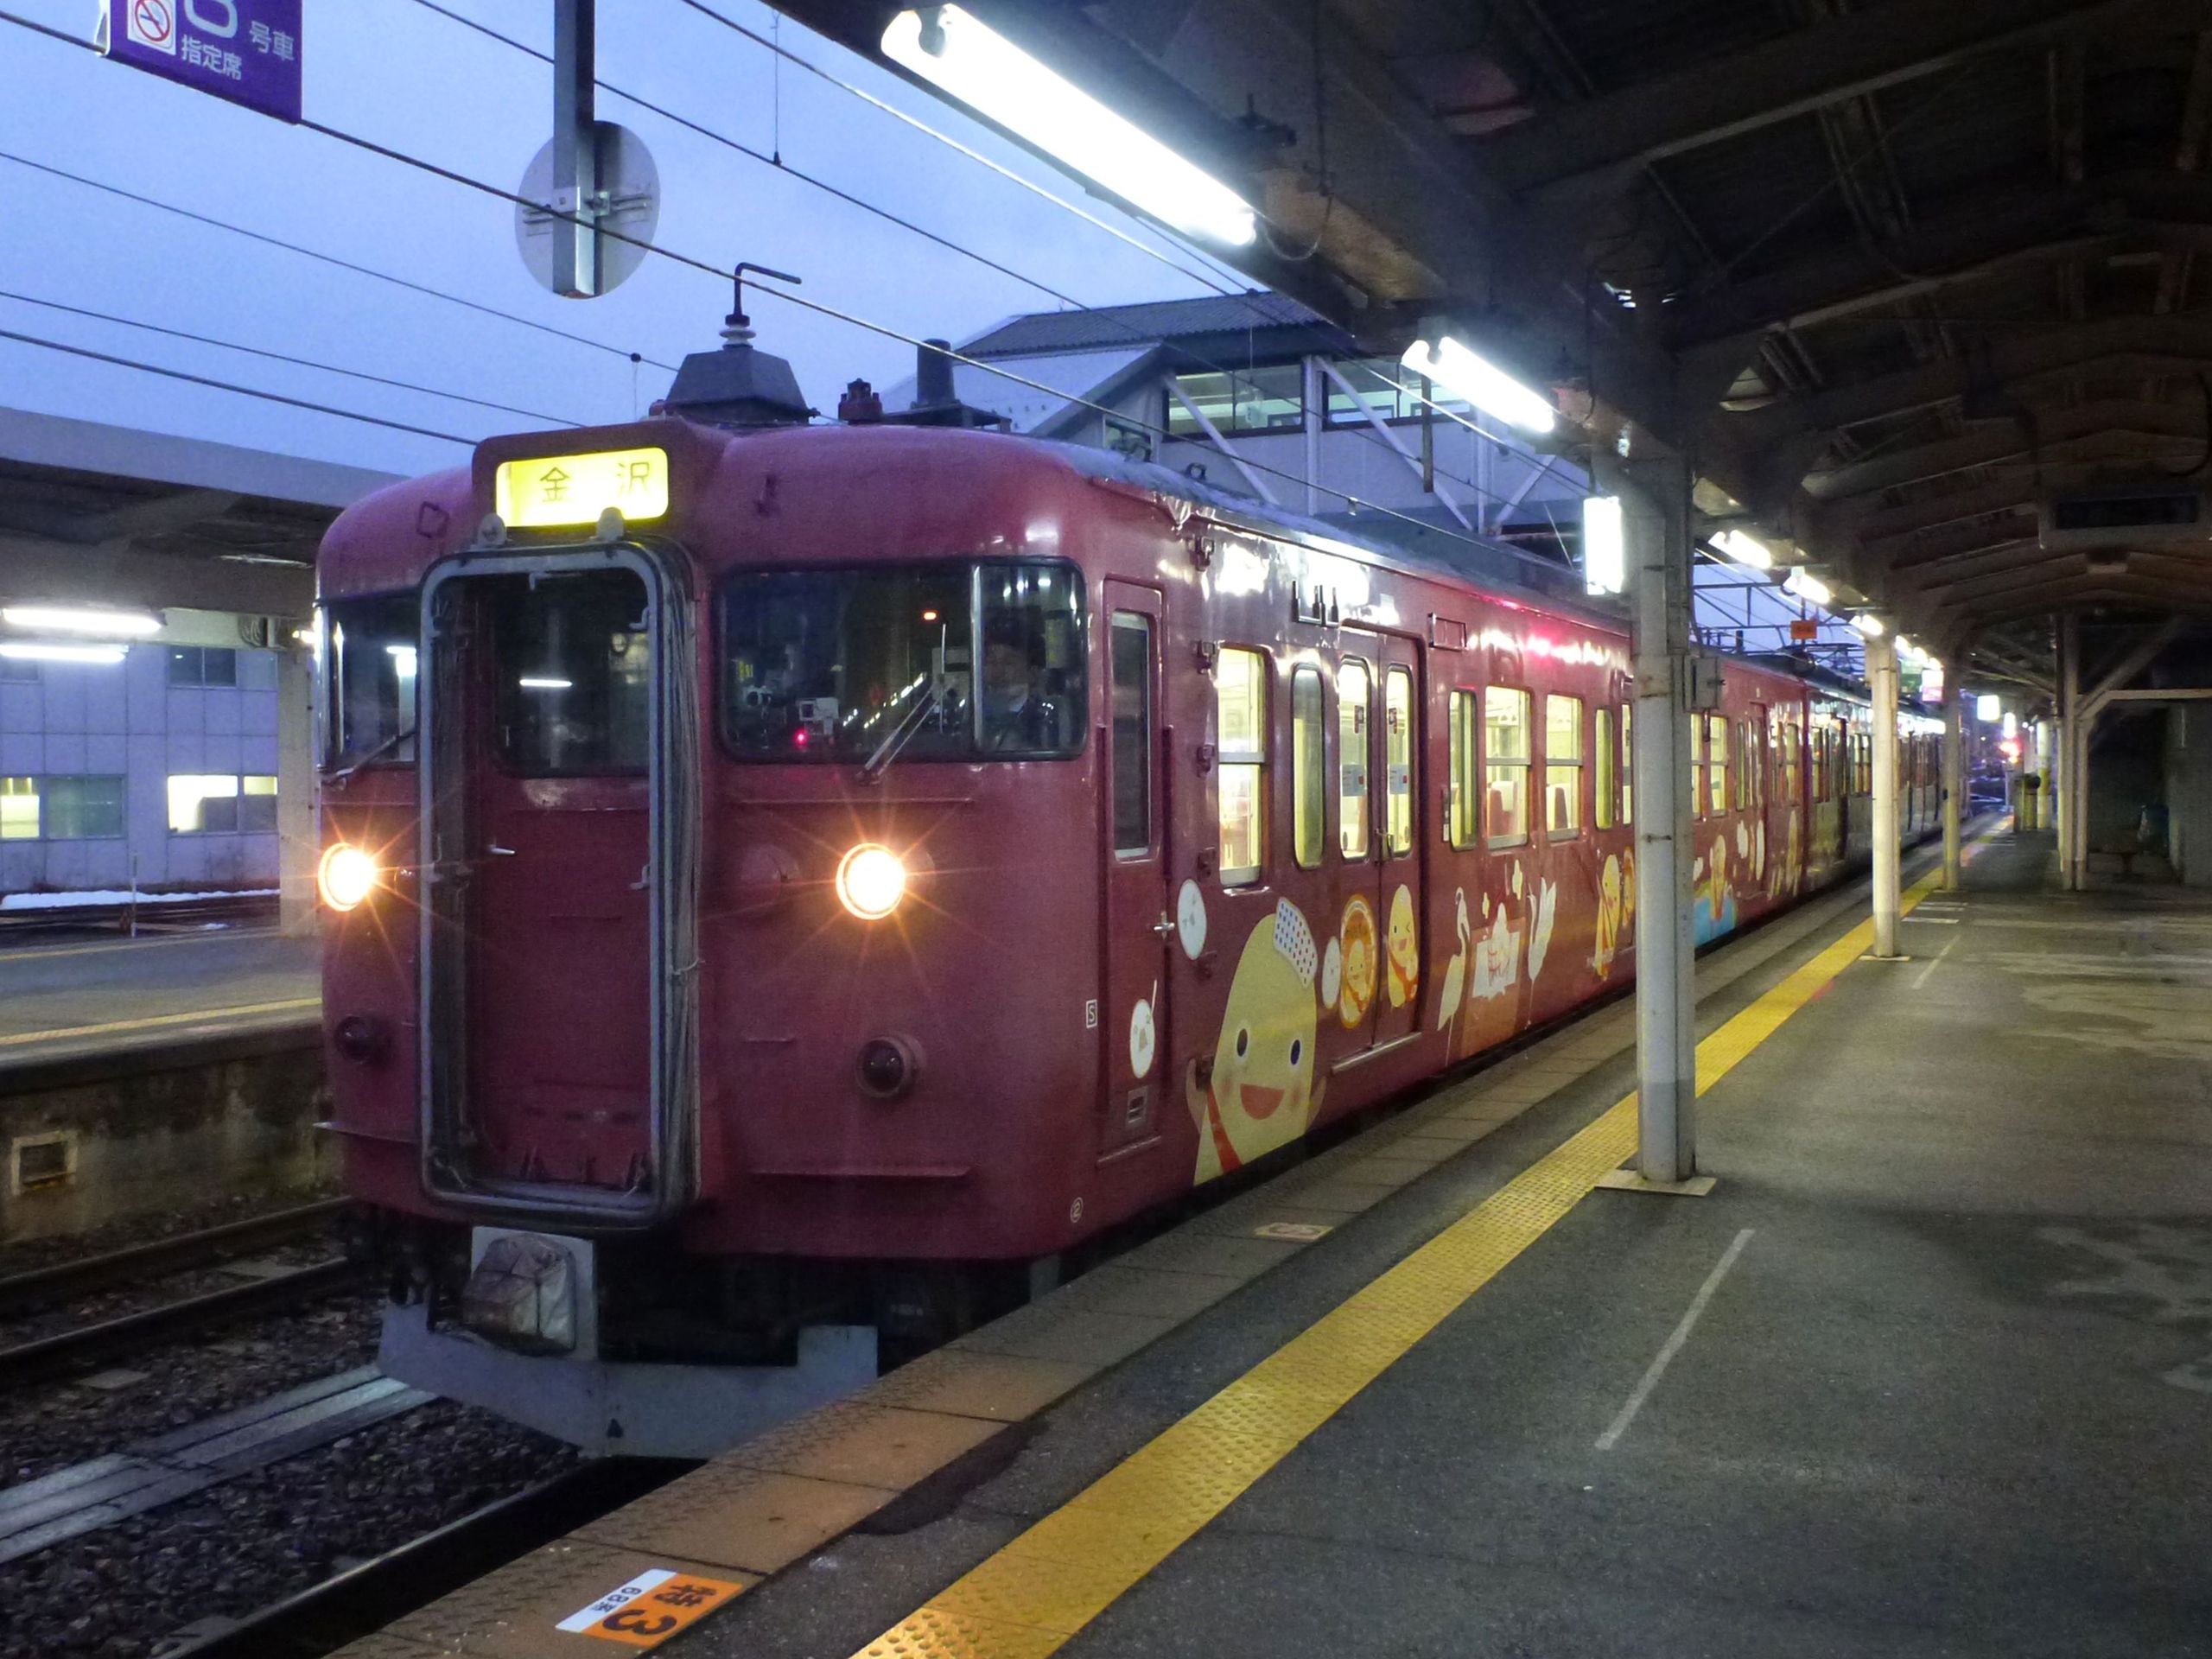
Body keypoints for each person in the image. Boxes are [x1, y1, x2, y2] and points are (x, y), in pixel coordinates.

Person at [981, 630, 1057, 752]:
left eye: (1008, 663)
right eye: (991, 662)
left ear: (1033, 673)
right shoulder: (975, 713)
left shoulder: (1045, 716)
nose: (997, 672)